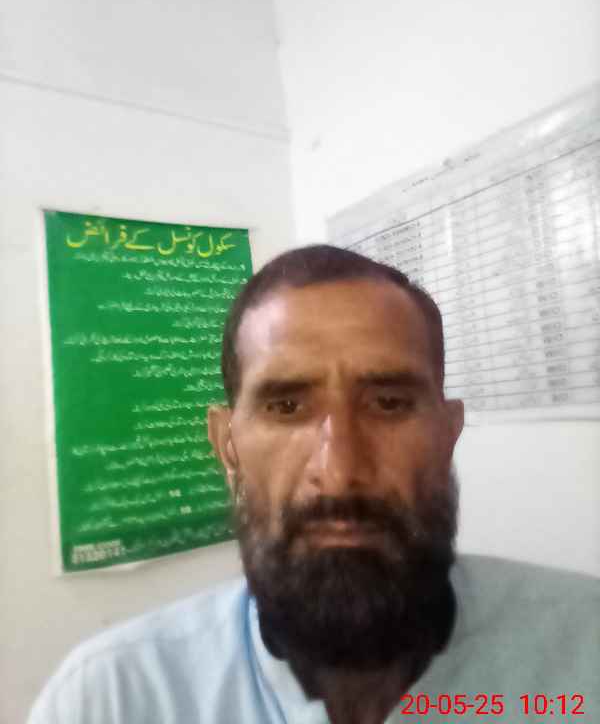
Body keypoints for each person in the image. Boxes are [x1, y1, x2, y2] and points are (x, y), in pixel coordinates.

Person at [29, 245, 599, 724]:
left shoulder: (587, 647)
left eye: (389, 403)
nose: (340, 471)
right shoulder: (109, 699)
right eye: (285, 406)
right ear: (227, 445)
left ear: (448, 432)